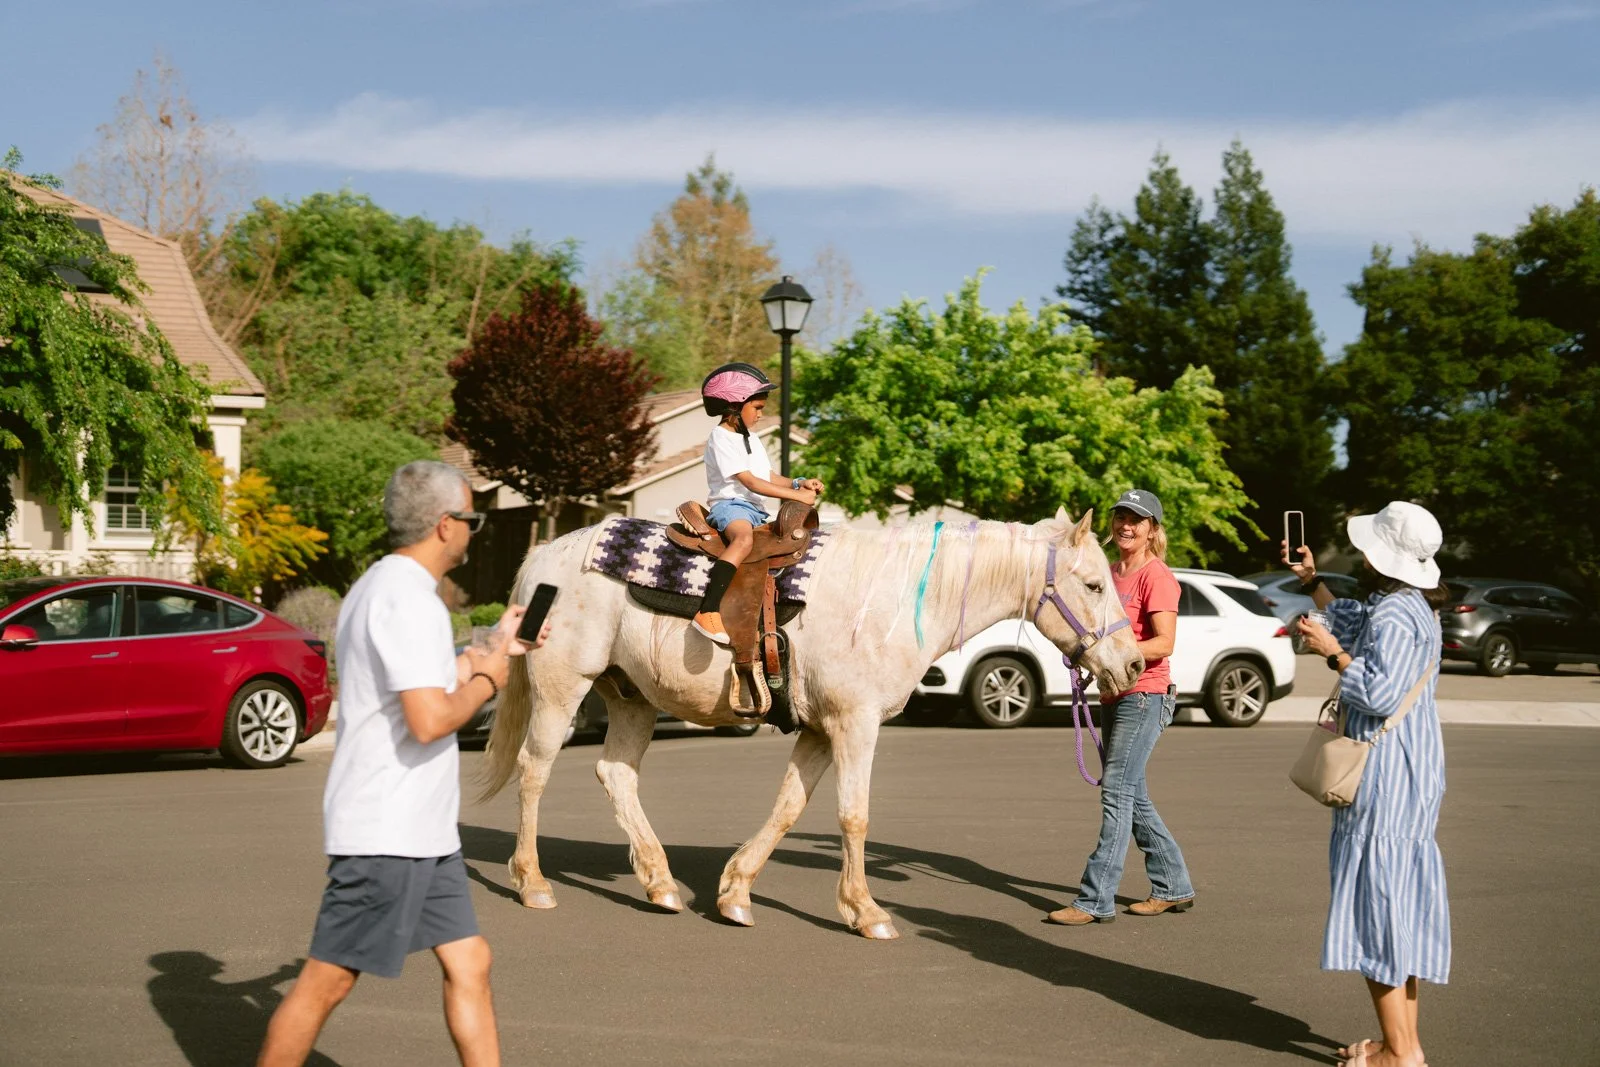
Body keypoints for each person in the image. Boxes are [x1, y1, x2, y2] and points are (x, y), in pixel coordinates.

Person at [257, 461, 548, 1067]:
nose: (474, 529)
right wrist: (490, 682)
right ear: (446, 526)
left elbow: (423, 677)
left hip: (423, 832)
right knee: (327, 982)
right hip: (387, 832)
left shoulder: (387, 588)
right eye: (472, 518)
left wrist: (496, 647)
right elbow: (430, 718)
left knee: (470, 961)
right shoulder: (407, 600)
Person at [1289, 501, 1450, 1067]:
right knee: (1397, 908)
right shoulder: (1408, 607)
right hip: (1413, 770)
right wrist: (1313, 584)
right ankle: (1401, 1043)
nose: (1359, 553)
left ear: (1383, 557)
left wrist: (1332, 655)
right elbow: (1351, 618)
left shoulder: (1395, 615)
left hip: (1385, 778)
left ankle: (1399, 1055)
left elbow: (1377, 693)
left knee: (1376, 909)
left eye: (1366, 546)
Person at [1047, 489, 1194, 925]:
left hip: (1146, 695)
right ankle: (1173, 884)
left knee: (1116, 792)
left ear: (1152, 530)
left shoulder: (1157, 577)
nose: (1126, 525)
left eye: (1137, 519)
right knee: (1134, 794)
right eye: (1121, 517)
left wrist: (1116, 651)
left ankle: (1094, 899)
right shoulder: (1109, 573)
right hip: (1114, 692)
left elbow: (1165, 643)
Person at [690, 362, 823, 645]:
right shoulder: (721, 438)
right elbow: (749, 482)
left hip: (755, 510)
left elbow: (769, 476)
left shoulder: (750, 439)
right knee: (743, 540)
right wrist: (796, 497)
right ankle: (708, 609)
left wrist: (799, 483)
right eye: (757, 408)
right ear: (734, 407)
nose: (761, 414)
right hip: (731, 505)